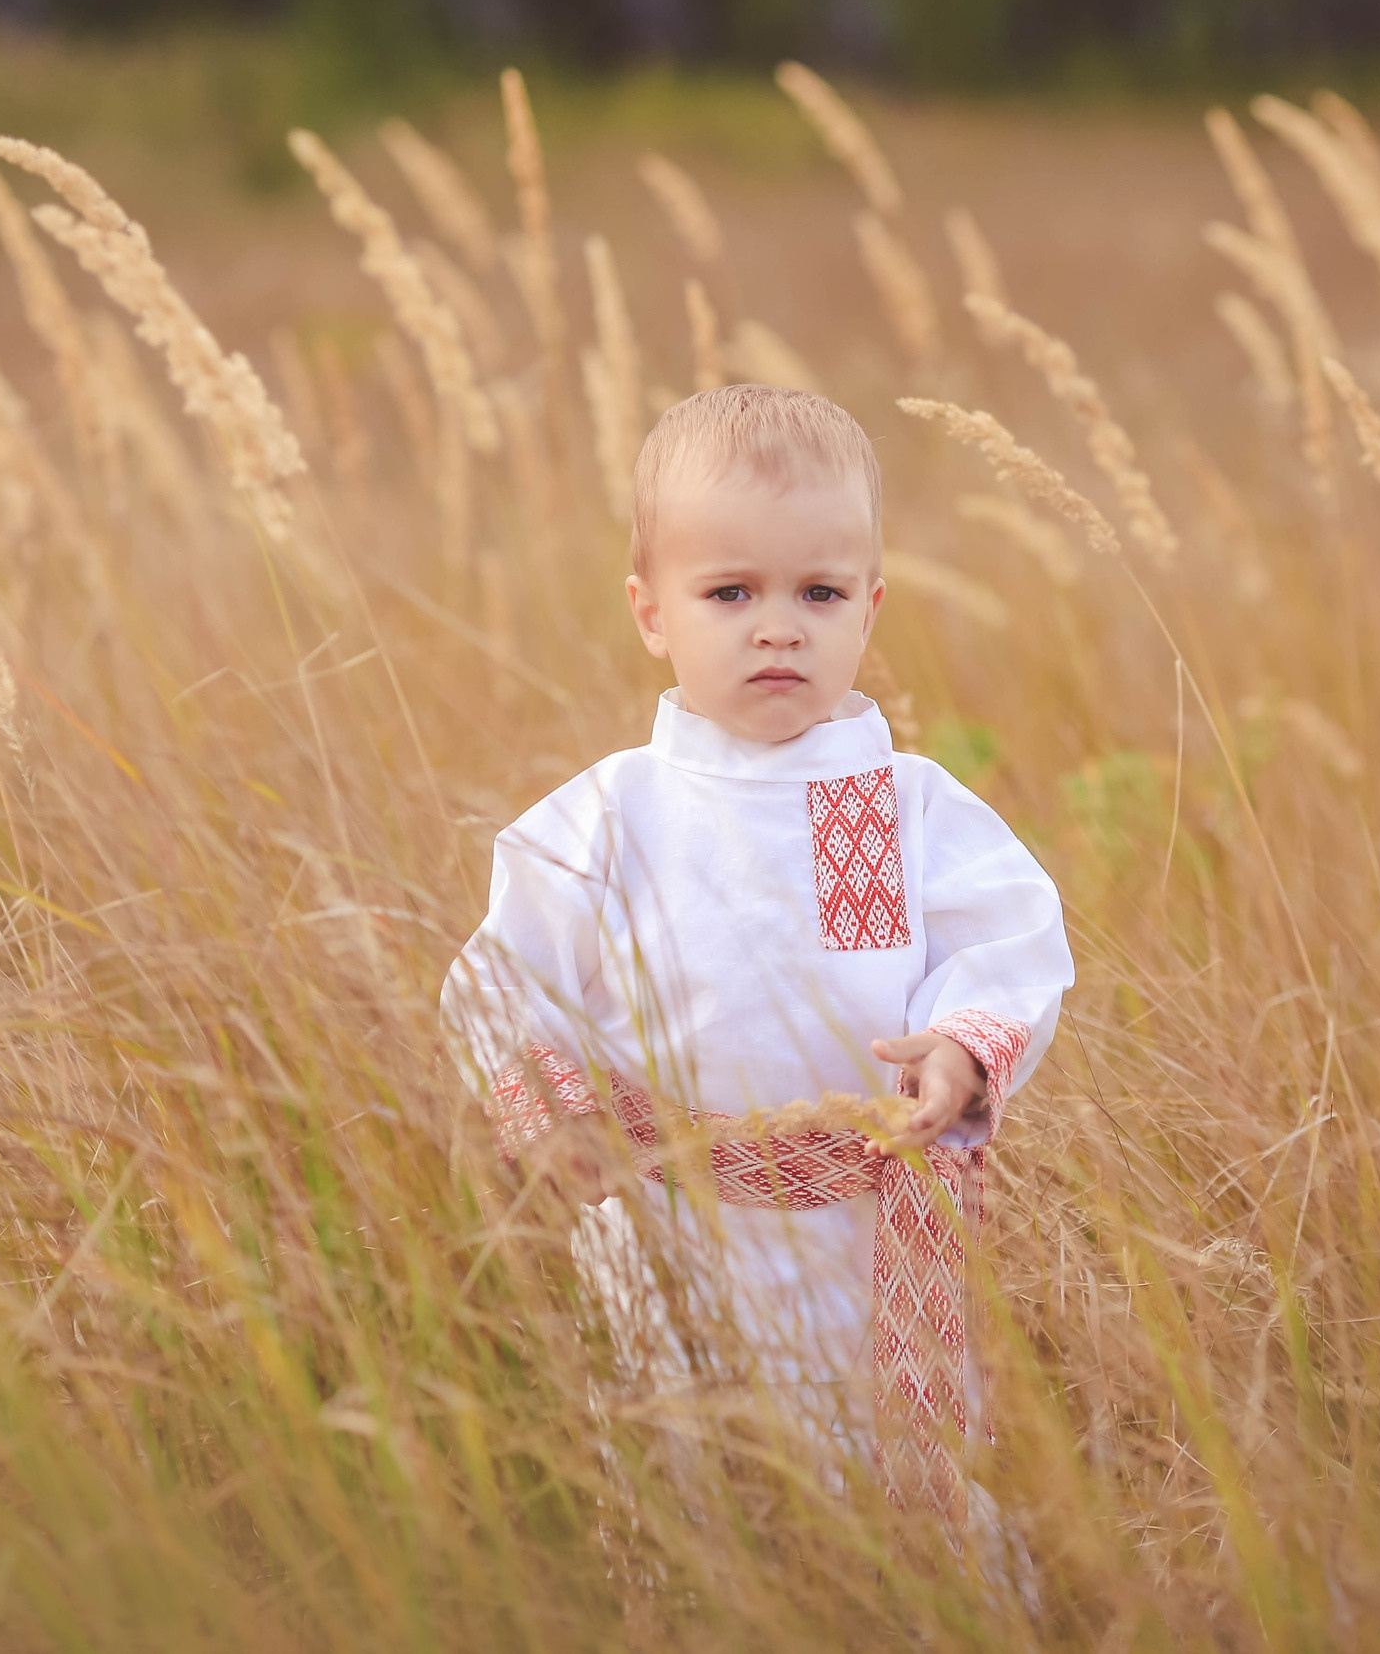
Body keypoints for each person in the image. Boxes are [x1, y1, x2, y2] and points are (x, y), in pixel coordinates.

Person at [438, 383, 1073, 1521]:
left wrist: (961, 1049)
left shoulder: (906, 803)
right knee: (693, 1474)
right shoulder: (605, 817)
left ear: (868, 611)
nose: (777, 624)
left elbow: (1012, 941)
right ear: (650, 613)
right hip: (671, 1215)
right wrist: (559, 1110)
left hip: (870, 1217)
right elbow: (499, 981)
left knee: (903, 1479)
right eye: (729, 591)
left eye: (816, 592)